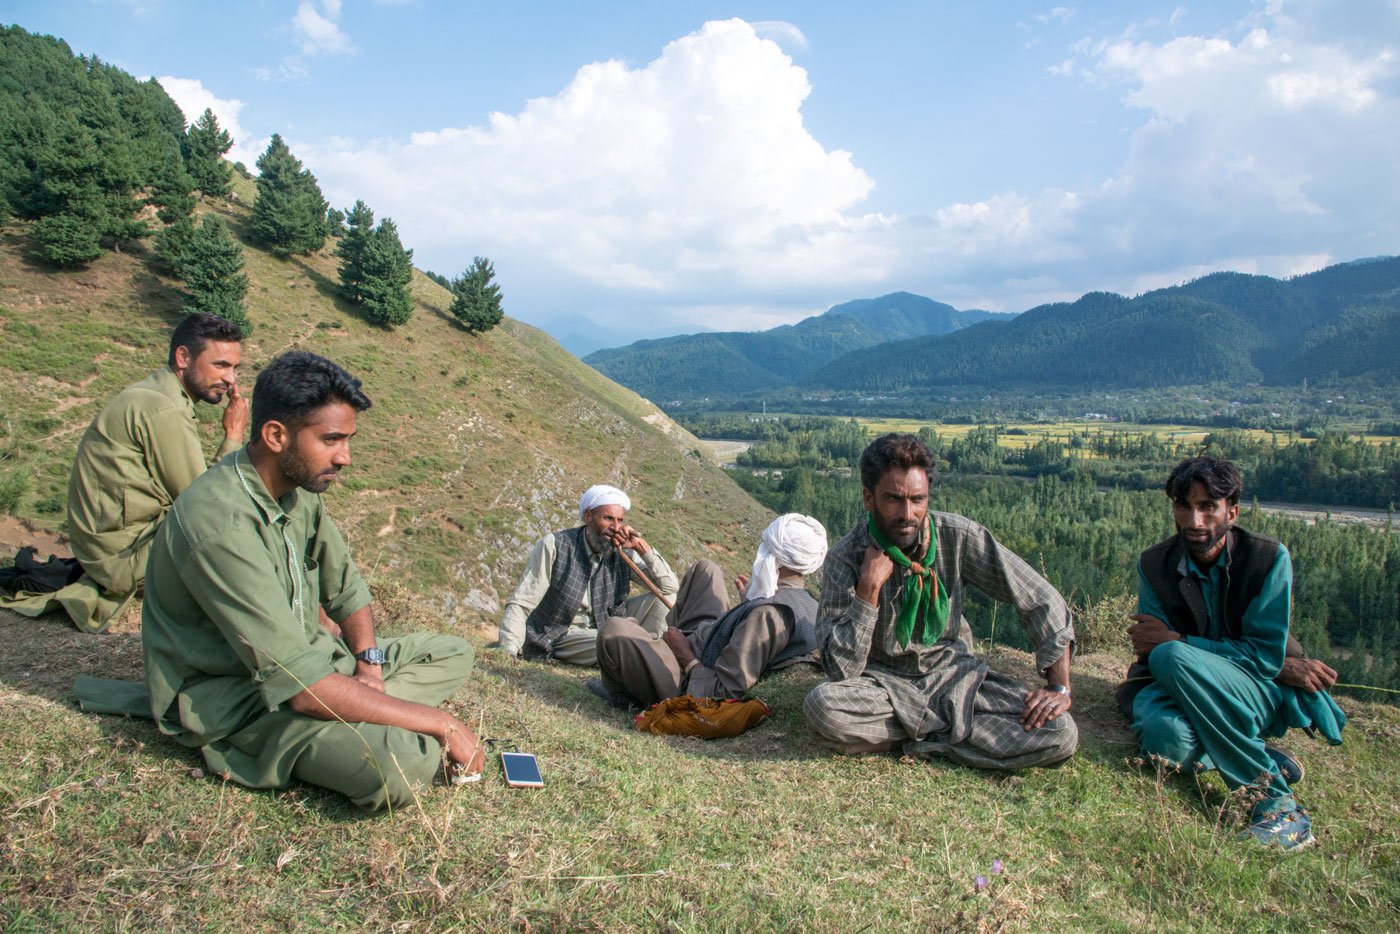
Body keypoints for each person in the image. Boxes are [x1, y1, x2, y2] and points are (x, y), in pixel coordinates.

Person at [140, 351, 482, 811]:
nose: (345, 457)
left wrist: (370, 668)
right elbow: (300, 688)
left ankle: (368, 708)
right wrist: (441, 723)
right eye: (331, 439)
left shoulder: (296, 492)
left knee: (454, 652)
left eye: (348, 439)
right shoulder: (218, 523)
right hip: (245, 697)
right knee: (400, 765)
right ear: (276, 435)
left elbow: (346, 590)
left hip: (320, 665)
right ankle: (375, 720)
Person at [804, 433, 1077, 769]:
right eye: (893, 499)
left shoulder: (958, 536)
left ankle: (918, 741)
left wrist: (1059, 687)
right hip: (883, 686)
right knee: (823, 707)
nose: (908, 513)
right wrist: (867, 592)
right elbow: (840, 672)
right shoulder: (845, 558)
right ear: (869, 498)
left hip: (956, 679)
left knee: (1060, 731)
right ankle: (955, 739)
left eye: (918, 499)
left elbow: (1039, 597)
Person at [1121, 456, 1346, 851]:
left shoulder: (1267, 559)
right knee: (1165, 740)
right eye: (1184, 506)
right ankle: (1256, 753)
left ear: (1232, 511)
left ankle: (1277, 806)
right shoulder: (1154, 564)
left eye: (1208, 507)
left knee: (1171, 656)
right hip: (1178, 688)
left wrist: (1183, 643)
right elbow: (1147, 646)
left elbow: (1261, 658)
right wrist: (1173, 646)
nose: (1194, 521)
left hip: (1253, 689)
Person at [64, 314, 249, 631]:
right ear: (183, 357)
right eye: (220, 365)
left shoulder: (156, 396)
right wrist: (233, 436)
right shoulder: (162, 407)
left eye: (234, 368)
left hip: (113, 549)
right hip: (122, 561)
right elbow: (206, 501)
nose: (231, 379)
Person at [594, 513, 828, 707]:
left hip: (692, 675)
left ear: (775, 554)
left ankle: (625, 692)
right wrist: (749, 601)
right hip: (711, 642)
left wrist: (685, 655)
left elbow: (726, 691)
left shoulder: (767, 614)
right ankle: (658, 648)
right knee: (706, 570)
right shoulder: (808, 604)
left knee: (614, 629)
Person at [497, 484, 679, 666]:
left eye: (620, 520)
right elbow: (522, 603)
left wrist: (642, 548)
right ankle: (648, 652)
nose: (616, 527)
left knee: (667, 601)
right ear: (588, 516)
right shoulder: (555, 545)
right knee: (618, 642)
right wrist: (509, 649)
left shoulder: (623, 552)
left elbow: (669, 588)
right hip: (564, 632)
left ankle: (649, 652)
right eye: (608, 519)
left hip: (609, 623)